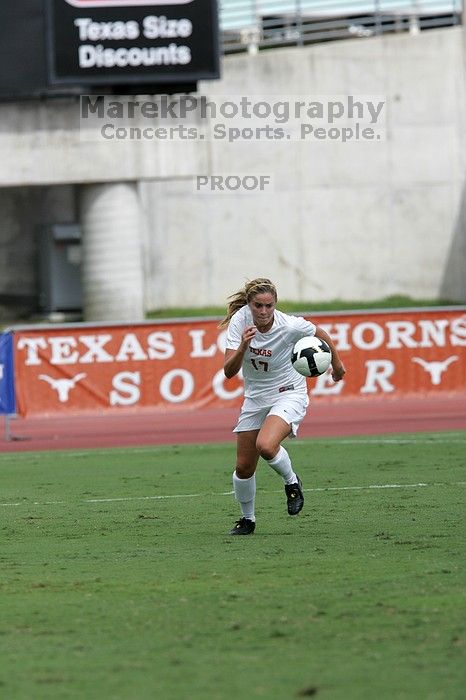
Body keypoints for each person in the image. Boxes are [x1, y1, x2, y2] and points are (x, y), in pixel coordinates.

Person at [220, 278, 346, 535]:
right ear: (249, 304)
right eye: (258, 306)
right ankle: (248, 520)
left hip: (289, 393)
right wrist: (244, 345)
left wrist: (338, 365)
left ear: (275, 304)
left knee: (266, 445)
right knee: (243, 468)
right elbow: (229, 372)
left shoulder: (289, 325)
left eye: (269, 306)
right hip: (255, 397)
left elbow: (321, 334)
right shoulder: (239, 322)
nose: (264, 312)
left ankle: (292, 483)